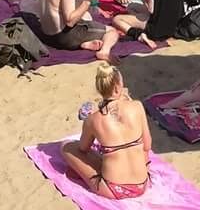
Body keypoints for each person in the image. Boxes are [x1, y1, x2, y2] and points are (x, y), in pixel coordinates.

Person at [61, 61, 151, 201]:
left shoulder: (92, 120)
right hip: (142, 184)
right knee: (115, 152)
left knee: (67, 147)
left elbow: (82, 149)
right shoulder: (137, 106)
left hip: (111, 189)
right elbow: (147, 145)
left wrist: (90, 122)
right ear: (118, 87)